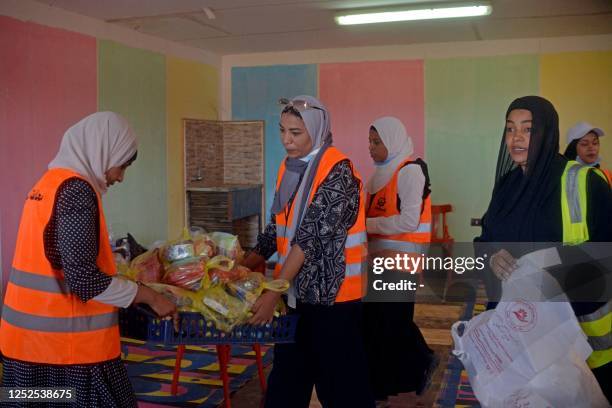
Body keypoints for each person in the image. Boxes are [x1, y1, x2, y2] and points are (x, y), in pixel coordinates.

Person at [0, 112, 178, 407]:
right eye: (121, 165)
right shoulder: (76, 192)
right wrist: (149, 297)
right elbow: (84, 280)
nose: (120, 177)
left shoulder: (47, 184)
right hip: (68, 353)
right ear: (101, 151)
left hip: (25, 351)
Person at [241, 95, 374, 408]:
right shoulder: (290, 169)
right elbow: (278, 227)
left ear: (316, 129)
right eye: (282, 131)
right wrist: (243, 265)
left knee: (343, 388)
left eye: (296, 133)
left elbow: (309, 237)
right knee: (287, 383)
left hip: (333, 299)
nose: (286, 140)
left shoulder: (338, 171)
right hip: (297, 294)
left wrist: (273, 291)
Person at [476, 96, 611, 403]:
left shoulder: (586, 182)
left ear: (547, 133)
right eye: (510, 129)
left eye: (528, 129)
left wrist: (551, 266)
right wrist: (492, 256)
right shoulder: (507, 184)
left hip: (578, 333)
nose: (517, 137)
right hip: (520, 327)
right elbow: (486, 238)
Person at [362, 116, 438, 403]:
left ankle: (421, 363)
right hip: (377, 260)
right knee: (378, 322)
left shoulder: (409, 172)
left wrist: (367, 227)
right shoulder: (377, 176)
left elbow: (408, 221)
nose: (370, 147)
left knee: (393, 322)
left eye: (376, 142)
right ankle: (387, 383)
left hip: (401, 262)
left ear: (392, 141)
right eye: (370, 141)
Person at [563, 121, 611, 186]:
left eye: (595, 143)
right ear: (572, 149)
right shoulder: (564, 176)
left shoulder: (607, 175)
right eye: (584, 144)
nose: (591, 147)